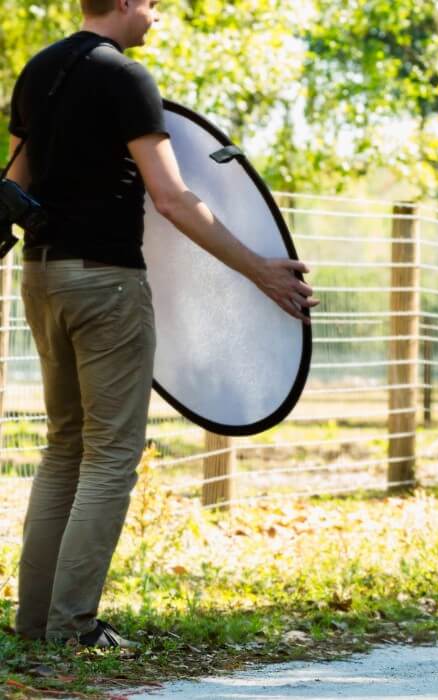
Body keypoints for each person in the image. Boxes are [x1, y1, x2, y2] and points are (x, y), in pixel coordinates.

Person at [6, 0, 318, 648]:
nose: (156, 16)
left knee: (64, 446)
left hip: (39, 275)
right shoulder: (128, 79)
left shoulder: (38, 70)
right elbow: (173, 198)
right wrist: (259, 269)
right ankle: (73, 628)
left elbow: (20, 180)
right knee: (112, 456)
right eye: (152, 4)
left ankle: (34, 625)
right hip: (106, 282)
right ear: (123, 2)